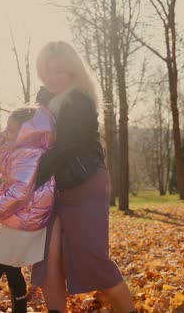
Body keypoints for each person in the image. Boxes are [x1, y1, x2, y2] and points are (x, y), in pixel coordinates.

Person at [30, 41, 136, 313]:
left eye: (59, 71)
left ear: (74, 71)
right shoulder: (44, 102)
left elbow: (67, 147)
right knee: (48, 257)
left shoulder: (79, 100)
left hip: (84, 185)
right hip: (54, 190)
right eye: (46, 70)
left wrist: (33, 176)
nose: (51, 77)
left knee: (93, 259)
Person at [0, 106, 56, 313]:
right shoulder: (12, 144)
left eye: (12, 129)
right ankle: (20, 309)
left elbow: (20, 193)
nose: (6, 132)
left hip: (26, 216)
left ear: (28, 131)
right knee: (11, 267)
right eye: (7, 126)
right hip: (17, 215)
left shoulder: (30, 153)